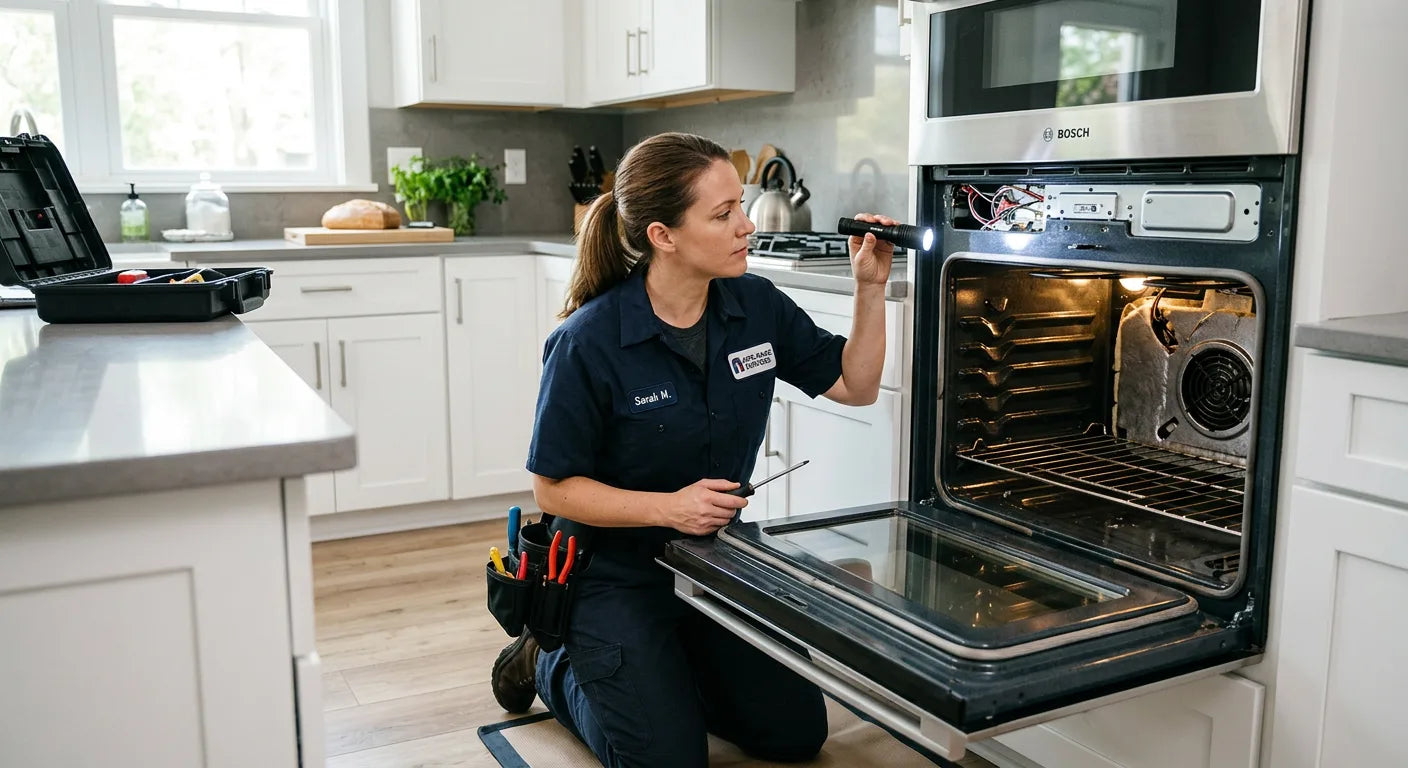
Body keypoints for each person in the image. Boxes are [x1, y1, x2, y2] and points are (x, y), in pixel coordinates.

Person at [490, 132, 896, 768]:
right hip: (610, 575)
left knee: (793, 735)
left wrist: (868, 288)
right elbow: (553, 489)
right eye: (724, 213)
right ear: (663, 235)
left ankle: (665, 674)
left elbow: (857, 385)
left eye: (741, 205)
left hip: (715, 563)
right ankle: (552, 661)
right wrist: (668, 509)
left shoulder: (754, 305)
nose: (747, 226)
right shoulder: (586, 342)